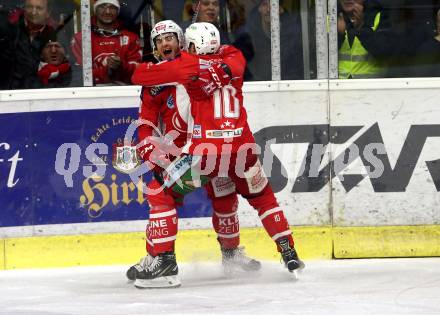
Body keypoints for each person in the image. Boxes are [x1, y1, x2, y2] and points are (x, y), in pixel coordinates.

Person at [132, 22, 304, 285]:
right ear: (154, 47)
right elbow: (146, 120)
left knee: (212, 196)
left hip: (202, 151)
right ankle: (287, 250)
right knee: (260, 198)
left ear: (183, 43)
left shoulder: (185, 66)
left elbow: (140, 75)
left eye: (171, 39)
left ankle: (212, 256)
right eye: (159, 41)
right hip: (219, 148)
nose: (166, 44)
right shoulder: (227, 58)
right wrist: (148, 147)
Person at [71, 0, 142, 85]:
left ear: (118, 11)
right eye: (102, 6)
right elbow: (78, 75)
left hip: (125, 93)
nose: (107, 12)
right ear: (95, 9)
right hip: (89, 95)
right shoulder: (81, 38)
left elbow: (138, 71)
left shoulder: (131, 38)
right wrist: (107, 70)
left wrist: (121, 66)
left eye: (112, 7)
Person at [0, 0, 56, 89]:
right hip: (10, 95)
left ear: (48, 13)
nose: (33, 12)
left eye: (39, 8)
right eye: (30, 7)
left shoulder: (56, 37)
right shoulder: (10, 34)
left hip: (44, 95)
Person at [245, 0, 304, 81]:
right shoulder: (248, 36)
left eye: (273, 5)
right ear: (259, 9)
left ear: (281, 9)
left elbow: (298, 70)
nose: (269, 9)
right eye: (265, 4)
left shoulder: (294, 36)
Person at [337, 0, 395, 78]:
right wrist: (339, 35)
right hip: (336, 88)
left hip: (371, 86)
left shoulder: (381, 15)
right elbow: (317, 59)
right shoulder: (326, 16)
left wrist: (362, 28)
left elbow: (385, 54)